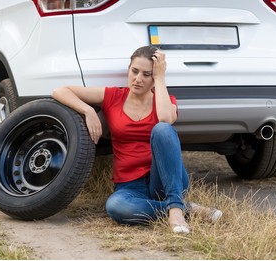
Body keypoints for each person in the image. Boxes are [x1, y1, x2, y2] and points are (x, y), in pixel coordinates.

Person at [52, 46, 222, 234]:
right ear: (128, 70)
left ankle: (175, 206)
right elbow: (60, 91)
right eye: (134, 71)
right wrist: (88, 110)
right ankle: (184, 209)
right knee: (116, 206)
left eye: (147, 74)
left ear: (154, 77)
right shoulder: (113, 96)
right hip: (129, 185)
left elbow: (165, 119)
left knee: (162, 129)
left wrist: (160, 77)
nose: (138, 79)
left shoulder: (166, 100)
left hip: (164, 179)